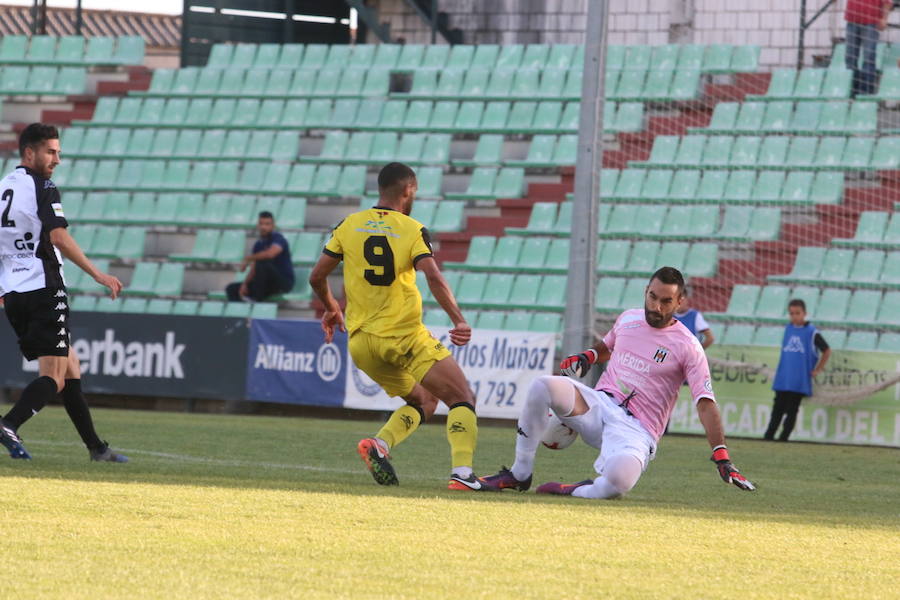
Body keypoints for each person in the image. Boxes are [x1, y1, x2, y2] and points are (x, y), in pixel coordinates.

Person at [483, 267, 755, 498]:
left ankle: (578, 489)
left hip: (638, 430)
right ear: (646, 290)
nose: (656, 307)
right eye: (652, 297)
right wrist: (588, 356)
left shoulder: (689, 346)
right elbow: (608, 346)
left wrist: (721, 455)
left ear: (680, 302)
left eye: (665, 301)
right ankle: (520, 473)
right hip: (599, 405)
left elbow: (705, 403)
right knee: (542, 385)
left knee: (619, 482)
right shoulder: (630, 318)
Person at [309, 162, 494, 492]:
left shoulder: (348, 225)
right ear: (408, 190)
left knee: (425, 402)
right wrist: (458, 320)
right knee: (463, 398)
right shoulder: (412, 229)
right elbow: (433, 276)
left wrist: (333, 308)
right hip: (404, 337)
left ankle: (379, 445)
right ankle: (463, 474)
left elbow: (316, 276)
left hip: (362, 344)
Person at [0, 123, 127, 462]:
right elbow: (57, 236)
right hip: (44, 287)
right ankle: (9, 424)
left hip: (14, 293)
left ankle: (96, 448)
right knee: (53, 377)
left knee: (71, 369)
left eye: (57, 151)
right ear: (30, 153)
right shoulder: (43, 185)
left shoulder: (2, 189)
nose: (57, 159)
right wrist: (97, 273)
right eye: (50, 151)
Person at [763, 299, 831, 442]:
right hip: (783, 377)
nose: (794, 316)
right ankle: (768, 436)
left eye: (797, 313)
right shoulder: (788, 328)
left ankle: (783, 438)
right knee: (777, 409)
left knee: (792, 410)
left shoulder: (812, 332)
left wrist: (817, 369)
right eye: (791, 313)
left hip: (799, 379)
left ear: (805, 313)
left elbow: (826, 350)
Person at [226, 211, 294, 302]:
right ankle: (240, 313)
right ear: (258, 225)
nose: (263, 227)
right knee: (232, 289)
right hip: (265, 284)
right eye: (261, 224)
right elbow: (254, 267)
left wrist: (248, 258)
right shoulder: (258, 244)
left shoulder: (279, 239)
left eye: (267, 224)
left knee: (263, 263)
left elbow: (270, 254)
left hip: (282, 283)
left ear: (273, 225)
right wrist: (245, 284)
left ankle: (256, 301)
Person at [845, 0, 893, 96]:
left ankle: (866, 94)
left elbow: (887, 2)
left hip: (870, 22)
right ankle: (851, 93)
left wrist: (884, 18)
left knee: (868, 59)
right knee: (850, 58)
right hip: (852, 21)